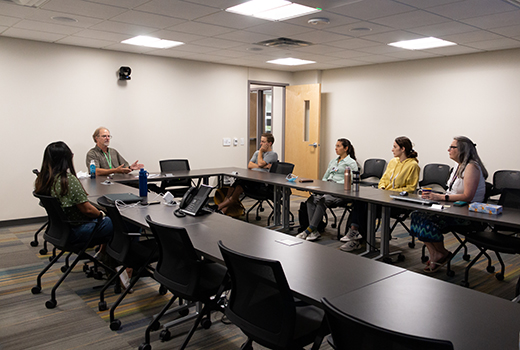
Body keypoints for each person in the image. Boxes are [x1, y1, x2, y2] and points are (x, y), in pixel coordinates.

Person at [410, 136, 487, 273]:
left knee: (426, 220)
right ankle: (437, 253)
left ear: (462, 150)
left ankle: (439, 253)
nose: (448, 149)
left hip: (467, 214)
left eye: (452, 147)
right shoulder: (458, 166)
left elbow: (468, 196)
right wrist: (434, 198)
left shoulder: (472, 167)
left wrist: (440, 197)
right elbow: (451, 191)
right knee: (416, 215)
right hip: (453, 208)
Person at [340, 136, 420, 252]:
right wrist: (382, 188)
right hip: (383, 197)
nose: (392, 150)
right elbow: (383, 179)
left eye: (394, 147)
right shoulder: (393, 162)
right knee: (360, 201)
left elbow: (411, 188)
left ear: (403, 149)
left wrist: (391, 192)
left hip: (397, 202)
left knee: (367, 207)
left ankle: (355, 238)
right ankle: (355, 233)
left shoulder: (413, 165)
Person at [35, 141, 113, 246]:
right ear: (66, 159)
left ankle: (104, 253)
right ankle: (119, 258)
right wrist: (101, 214)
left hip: (60, 230)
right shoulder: (67, 180)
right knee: (121, 223)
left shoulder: (44, 179)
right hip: (77, 230)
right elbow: (88, 210)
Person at [296, 138, 358, 241]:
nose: (336, 148)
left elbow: (351, 181)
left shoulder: (351, 163)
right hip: (327, 188)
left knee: (322, 201)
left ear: (346, 148)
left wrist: (334, 185)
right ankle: (314, 232)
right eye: (336, 146)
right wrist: (324, 185)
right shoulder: (333, 161)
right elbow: (325, 177)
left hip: (339, 192)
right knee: (311, 200)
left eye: (339, 146)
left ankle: (309, 230)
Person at [217, 133, 278, 214]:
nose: (260, 143)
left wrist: (260, 152)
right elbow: (249, 165)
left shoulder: (272, 155)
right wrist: (263, 166)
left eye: (263, 142)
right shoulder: (256, 153)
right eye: (261, 141)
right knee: (234, 185)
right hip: (252, 178)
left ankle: (219, 207)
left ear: (269, 143)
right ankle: (222, 209)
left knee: (239, 187)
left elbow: (259, 163)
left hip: (261, 183)